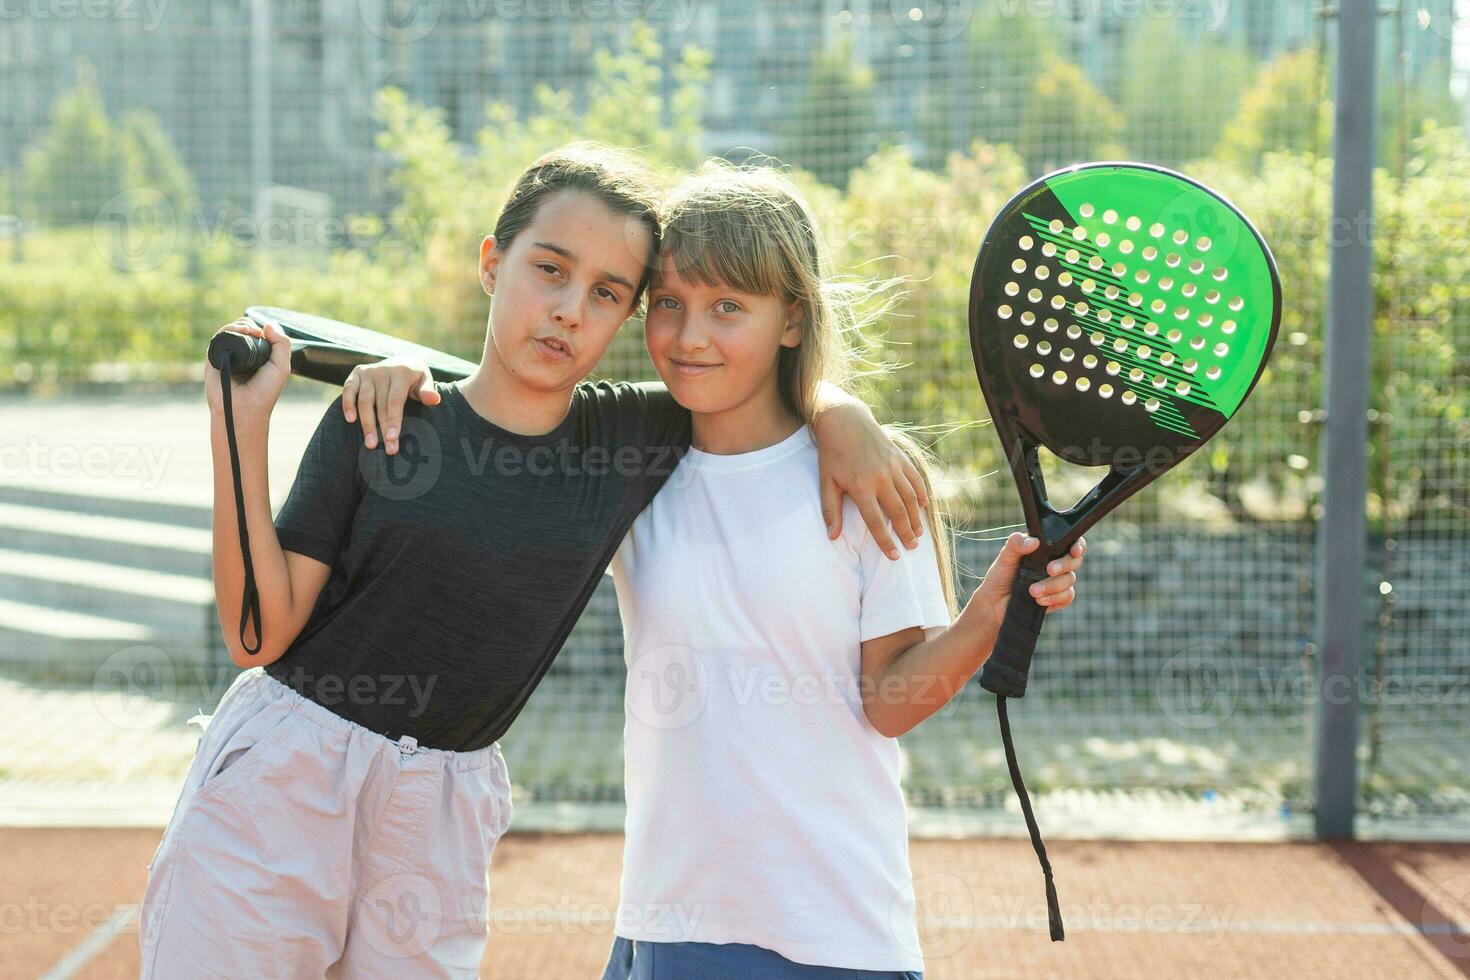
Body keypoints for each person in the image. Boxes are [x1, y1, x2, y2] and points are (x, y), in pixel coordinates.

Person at [140, 144, 924, 979]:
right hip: (287, 781)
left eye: (606, 294)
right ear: (492, 262)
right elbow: (259, 633)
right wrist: (239, 423)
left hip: (441, 808)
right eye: (549, 271)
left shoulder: (630, 441)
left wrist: (841, 411)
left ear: (627, 316)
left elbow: (750, 377)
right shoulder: (380, 418)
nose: (568, 311)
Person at [355, 162, 1086, 977]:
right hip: (665, 924)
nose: (689, 336)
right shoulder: (630, 463)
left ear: (792, 320)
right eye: (668, 303)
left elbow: (889, 702)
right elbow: (504, 402)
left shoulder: (868, 476)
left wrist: (989, 613)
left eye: (728, 307)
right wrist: (403, 376)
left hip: (835, 933)